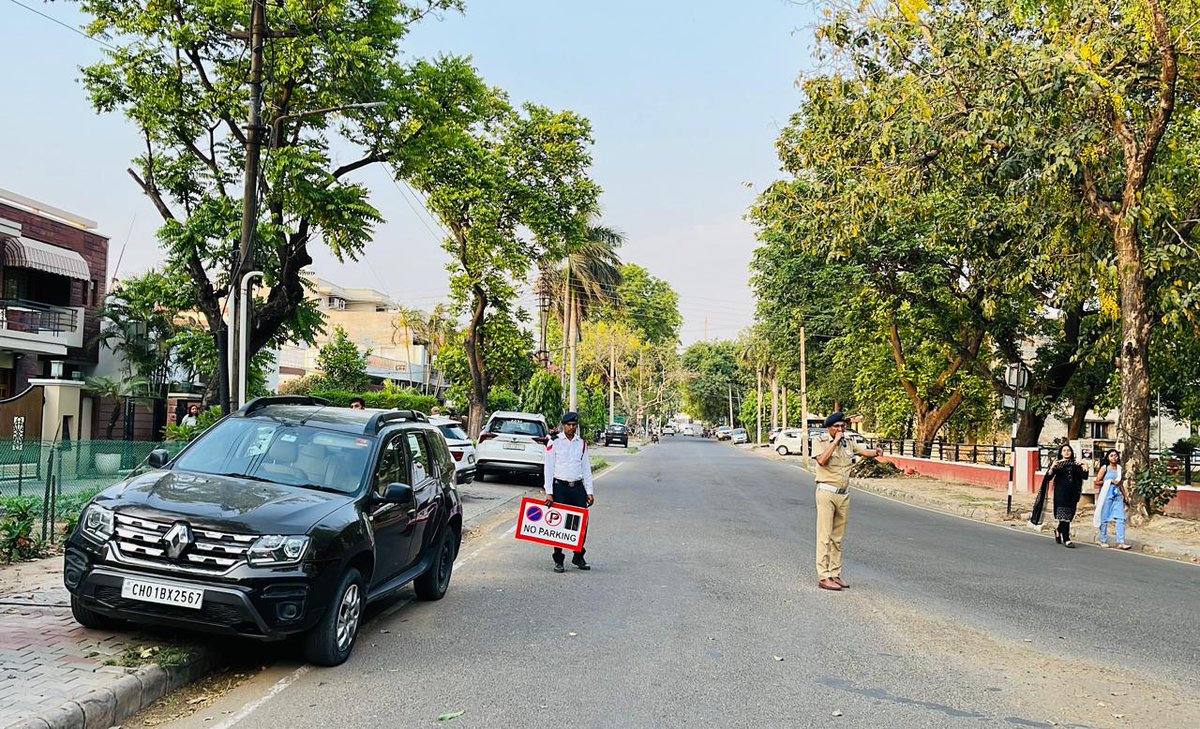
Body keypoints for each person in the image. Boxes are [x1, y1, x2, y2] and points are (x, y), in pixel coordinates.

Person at [812, 411, 883, 592]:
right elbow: (821, 460)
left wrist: (875, 452)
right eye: (837, 427)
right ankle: (824, 576)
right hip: (826, 492)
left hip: (843, 494)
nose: (841, 429)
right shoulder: (820, 441)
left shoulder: (848, 442)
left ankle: (835, 573)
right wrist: (834, 442)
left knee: (838, 537)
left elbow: (863, 451)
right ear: (829, 428)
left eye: (843, 426)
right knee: (825, 536)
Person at [543, 411, 594, 573]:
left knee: (581, 524)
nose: (571, 428)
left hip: (577, 488)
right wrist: (549, 492)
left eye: (574, 425)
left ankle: (578, 555)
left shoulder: (582, 444)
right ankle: (558, 559)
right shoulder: (554, 442)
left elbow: (586, 468)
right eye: (568, 425)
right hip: (560, 488)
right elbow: (548, 468)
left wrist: (589, 491)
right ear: (563, 426)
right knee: (558, 524)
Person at [1030, 444, 1087, 547]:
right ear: (1061, 452)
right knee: (1063, 515)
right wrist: (1052, 467)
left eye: (1068, 450)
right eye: (1064, 450)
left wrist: (1085, 465)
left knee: (1069, 516)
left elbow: (1084, 476)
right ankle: (1067, 539)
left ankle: (1058, 530)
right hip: (1061, 493)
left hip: (1073, 494)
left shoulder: (1075, 464)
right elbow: (1048, 477)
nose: (1066, 452)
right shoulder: (1057, 464)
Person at [1093, 449, 1132, 550]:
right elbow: (1097, 481)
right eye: (1111, 455)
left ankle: (1121, 542)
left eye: (1116, 455)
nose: (1114, 457)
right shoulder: (1105, 468)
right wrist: (1109, 481)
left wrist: (1125, 496)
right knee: (1104, 518)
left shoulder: (1119, 468)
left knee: (1121, 518)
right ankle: (1103, 539)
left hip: (1117, 495)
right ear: (1108, 458)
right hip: (1107, 494)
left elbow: (1120, 483)